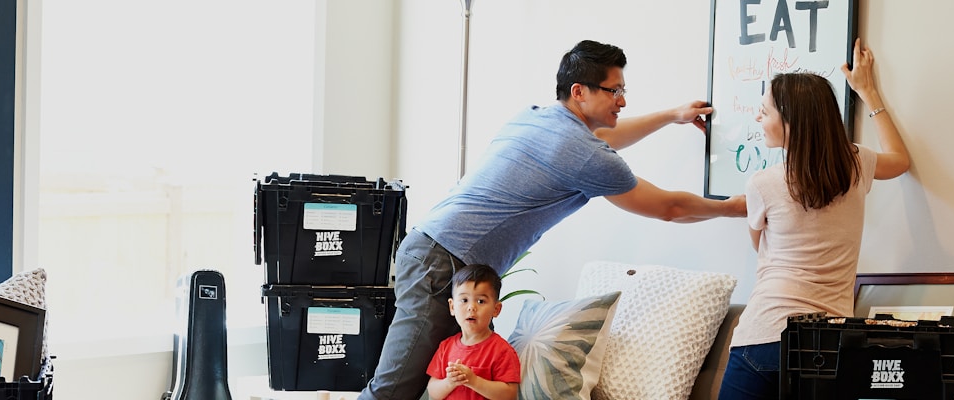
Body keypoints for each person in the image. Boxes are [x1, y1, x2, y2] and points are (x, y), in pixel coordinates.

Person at [358, 39, 747, 400]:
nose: (622, 101)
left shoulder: (537, 118)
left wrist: (670, 116)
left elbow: (606, 138)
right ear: (580, 92)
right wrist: (733, 207)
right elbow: (669, 208)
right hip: (443, 265)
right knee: (395, 389)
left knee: (472, 386)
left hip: (437, 254)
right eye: (615, 91)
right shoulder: (582, 153)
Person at [717, 38, 912, 399]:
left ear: (790, 121)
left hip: (764, 334)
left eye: (765, 111)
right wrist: (869, 93)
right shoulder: (857, 163)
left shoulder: (763, 183)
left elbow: (760, 246)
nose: (758, 117)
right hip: (829, 344)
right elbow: (900, 160)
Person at [425, 264, 520, 400]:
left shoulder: (502, 351)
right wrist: (450, 382)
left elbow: (509, 395)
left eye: (481, 301)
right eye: (464, 300)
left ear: (496, 309)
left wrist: (474, 381)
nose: (471, 307)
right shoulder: (445, 347)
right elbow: (433, 391)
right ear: (452, 307)